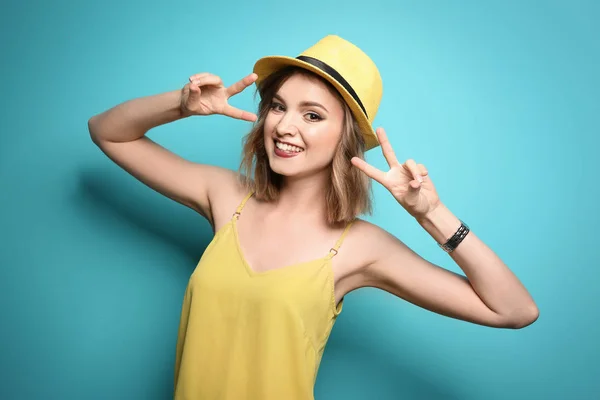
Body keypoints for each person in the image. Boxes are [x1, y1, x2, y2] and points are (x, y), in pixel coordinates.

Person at [87, 35, 539, 399]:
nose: (285, 127)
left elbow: (514, 311)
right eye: (279, 106)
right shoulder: (228, 197)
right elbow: (108, 133)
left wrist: (433, 214)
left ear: (346, 139)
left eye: (313, 115)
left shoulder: (359, 247)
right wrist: (180, 105)